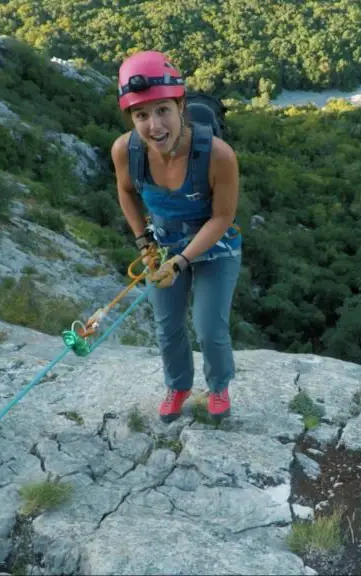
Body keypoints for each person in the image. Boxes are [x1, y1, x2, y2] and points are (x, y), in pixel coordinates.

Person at [110, 50, 243, 424]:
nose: (154, 126)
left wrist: (181, 261)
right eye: (141, 115)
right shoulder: (127, 150)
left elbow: (223, 217)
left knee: (208, 326)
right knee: (167, 326)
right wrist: (143, 242)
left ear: (180, 105)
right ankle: (178, 386)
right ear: (131, 119)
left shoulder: (218, 155)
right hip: (163, 245)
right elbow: (126, 192)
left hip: (216, 248)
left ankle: (218, 387)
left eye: (163, 110)